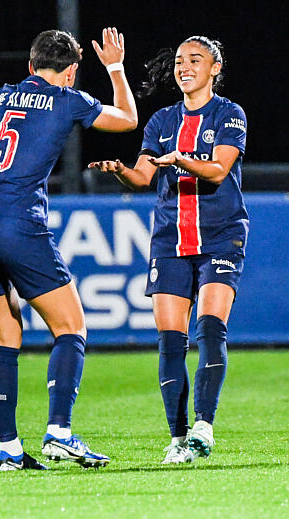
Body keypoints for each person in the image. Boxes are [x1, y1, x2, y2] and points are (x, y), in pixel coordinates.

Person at [0, 28, 138, 471]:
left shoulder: (1, 96)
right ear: (73, 70)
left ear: (30, 64)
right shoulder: (68, 100)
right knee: (71, 328)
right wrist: (115, 66)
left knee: (5, 336)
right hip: (17, 224)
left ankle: (10, 450)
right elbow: (128, 119)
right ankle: (59, 432)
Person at [88, 36, 248, 464]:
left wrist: (180, 160)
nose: (184, 66)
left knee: (211, 327)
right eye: (179, 60)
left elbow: (217, 170)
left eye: (195, 59)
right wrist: (120, 169)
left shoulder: (229, 114)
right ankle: (178, 439)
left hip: (220, 234)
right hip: (170, 241)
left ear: (215, 67)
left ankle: (204, 425)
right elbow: (143, 178)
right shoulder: (160, 121)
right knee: (170, 340)